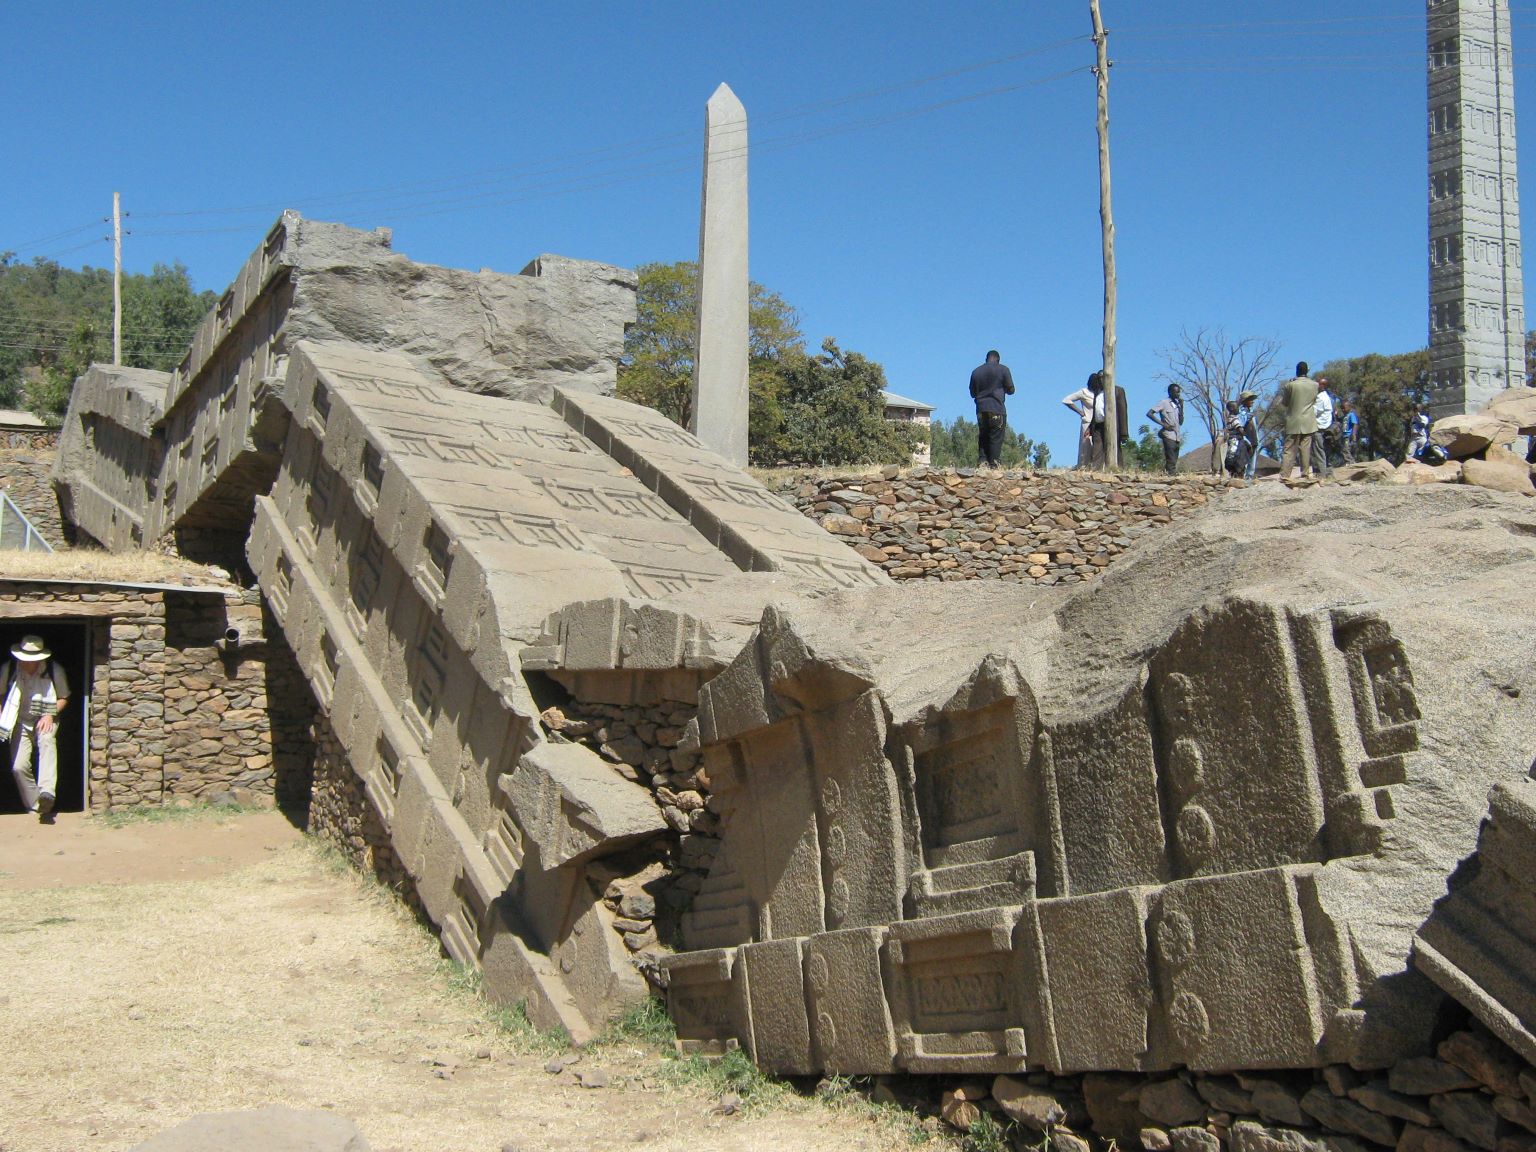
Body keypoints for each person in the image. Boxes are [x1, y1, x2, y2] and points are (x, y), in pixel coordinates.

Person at [1, 635, 70, 823]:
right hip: (19, 720)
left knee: (47, 741)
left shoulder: (54, 670)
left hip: (45, 717)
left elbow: (63, 697)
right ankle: (36, 805)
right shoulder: (9, 670)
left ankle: (47, 791)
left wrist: (49, 714)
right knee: (18, 766)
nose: (26, 663)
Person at [969, 350, 1015, 469]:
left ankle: (982, 461)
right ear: (998, 360)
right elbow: (1011, 390)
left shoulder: (976, 372)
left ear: (986, 359)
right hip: (996, 408)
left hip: (981, 409)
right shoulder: (1003, 369)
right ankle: (994, 464)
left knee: (983, 435)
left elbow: (972, 393)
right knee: (996, 437)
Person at [1279, 361, 1320, 483]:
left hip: (1293, 420)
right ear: (1307, 371)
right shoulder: (1315, 385)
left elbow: (1285, 403)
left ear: (1297, 371)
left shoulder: (1290, 385)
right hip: (1308, 420)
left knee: (1289, 449)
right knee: (1305, 448)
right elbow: (1314, 401)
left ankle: (1285, 475)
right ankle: (1305, 473)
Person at [1061, 373, 1099, 469]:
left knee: (1098, 448)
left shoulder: (1101, 393)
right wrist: (1080, 412)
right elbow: (1067, 400)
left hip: (1099, 423)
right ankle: (1083, 468)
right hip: (1088, 423)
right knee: (1086, 448)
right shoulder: (1084, 392)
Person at [1147, 382, 1184, 474]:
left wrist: (1182, 408)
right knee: (1170, 459)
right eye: (1176, 392)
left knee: (1174, 459)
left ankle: (1170, 474)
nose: (1178, 394)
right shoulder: (1164, 402)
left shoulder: (1177, 405)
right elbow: (1149, 413)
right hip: (1168, 434)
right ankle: (1171, 476)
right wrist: (1163, 424)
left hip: (1177, 436)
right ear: (1170, 392)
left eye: (1179, 392)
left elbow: (1181, 422)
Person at [1312, 377, 1335, 477]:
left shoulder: (1321, 398)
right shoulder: (1327, 397)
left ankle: (1322, 474)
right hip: (1326, 428)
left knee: (1319, 451)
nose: (1317, 385)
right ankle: (1328, 473)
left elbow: (1314, 412)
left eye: (1320, 384)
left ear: (1323, 386)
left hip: (1320, 428)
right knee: (1325, 451)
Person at [1238, 390, 1261, 479]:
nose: (1252, 401)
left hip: (1253, 439)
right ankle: (1243, 477)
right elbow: (1241, 426)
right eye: (1250, 399)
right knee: (1245, 459)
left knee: (1252, 460)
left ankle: (1249, 477)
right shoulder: (1241, 413)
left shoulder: (1251, 412)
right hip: (1246, 440)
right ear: (1245, 401)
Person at [1339, 398, 1359, 465]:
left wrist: (1353, 434)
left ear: (1349, 407)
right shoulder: (1345, 416)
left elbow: (1355, 424)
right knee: (1343, 449)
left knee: (1346, 449)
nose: (1343, 410)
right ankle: (1348, 461)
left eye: (1344, 408)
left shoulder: (1351, 414)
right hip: (1344, 435)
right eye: (1341, 408)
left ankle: (1350, 462)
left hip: (1349, 435)